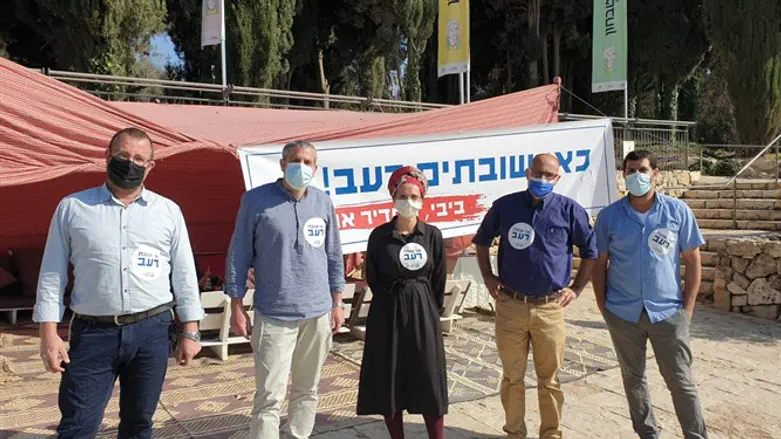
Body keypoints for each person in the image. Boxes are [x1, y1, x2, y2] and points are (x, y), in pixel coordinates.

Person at [34, 127, 204, 439]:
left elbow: (183, 274)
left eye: (140, 159)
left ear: (151, 166)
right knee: (78, 425)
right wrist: (48, 334)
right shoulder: (73, 208)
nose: (131, 163)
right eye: (123, 155)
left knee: (139, 423)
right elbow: (52, 274)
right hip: (93, 334)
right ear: (107, 156)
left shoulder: (168, 212)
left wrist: (191, 331)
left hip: (152, 333)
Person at [224, 140, 345, 439]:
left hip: (317, 314)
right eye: (295, 159)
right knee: (269, 396)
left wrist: (337, 301)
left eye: (307, 161)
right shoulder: (255, 201)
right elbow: (238, 253)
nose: (301, 166)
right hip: (274, 314)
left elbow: (333, 254)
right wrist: (237, 306)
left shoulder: (322, 202)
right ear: (281, 164)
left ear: (315, 169)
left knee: (308, 390)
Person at [472, 153, 598, 439]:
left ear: (558, 179)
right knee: (512, 378)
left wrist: (576, 288)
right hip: (511, 306)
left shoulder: (569, 210)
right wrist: (488, 277)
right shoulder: (505, 206)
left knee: (550, 380)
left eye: (549, 175)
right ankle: (514, 432)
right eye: (537, 173)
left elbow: (591, 251)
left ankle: (550, 434)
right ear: (528, 173)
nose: (542, 180)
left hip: (550, 308)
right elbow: (481, 241)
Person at [592, 150, 708, 439]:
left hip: (668, 312)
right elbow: (599, 263)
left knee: (681, 382)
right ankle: (647, 433)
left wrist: (688, 310)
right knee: (633, 379)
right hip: (623, 314)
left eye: (642, 170)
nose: (636, 176)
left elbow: (693, 261)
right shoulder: (609, 217)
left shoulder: (677, 212)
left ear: (655, 174)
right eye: (630, 171)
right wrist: (603, 307)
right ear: (623, 175)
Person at [357, 166, 448, 439]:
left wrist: (428, 309)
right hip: (387, 312)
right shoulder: (379, 236)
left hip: (423, 312)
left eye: (415, 196)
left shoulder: (432, 235)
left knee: (429, 378)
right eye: (403, 195)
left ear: (422, 200)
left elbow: (439, 278)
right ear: (393, 196)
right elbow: (372, 275)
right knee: (390, 378)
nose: (409, 201)